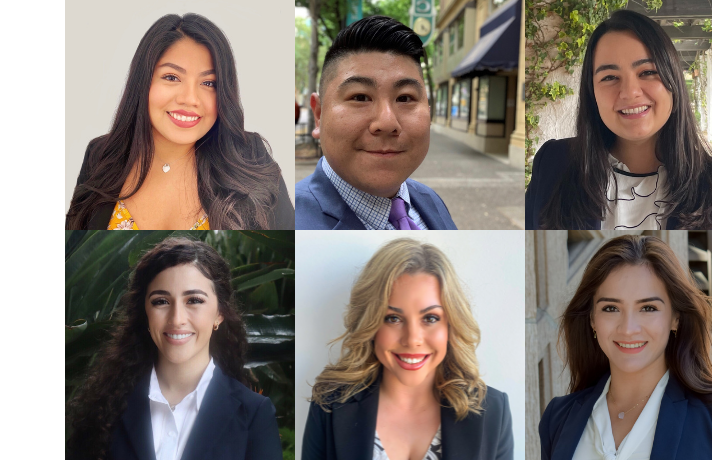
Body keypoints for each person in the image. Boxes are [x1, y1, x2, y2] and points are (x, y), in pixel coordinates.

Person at [525, 9, 712, 230]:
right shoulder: (552, 165)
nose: (630, 92)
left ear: (673, 80)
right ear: (591, 92)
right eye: (610, 77)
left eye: (647, 72)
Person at [66, 13, 294, 230]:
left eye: (209, 83)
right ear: (143, 82)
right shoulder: (100, 155)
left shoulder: (249, 157)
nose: (190, 99)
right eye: (171, 77)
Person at [66, 237, 283, 460]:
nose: (177, 319)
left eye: (194, 300)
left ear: (219, 313)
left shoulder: (253, 414)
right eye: (161, 301)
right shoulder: (104, 409)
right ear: (145, 315)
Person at [539, 235, 712, 460]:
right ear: (592, 318)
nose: (628, 328)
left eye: (648, 308)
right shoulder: (559, 417)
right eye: (611, 308)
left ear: (675, 318)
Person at [302, 239, 512, 459]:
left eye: (430, 318)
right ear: (370, 324)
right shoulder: (329, 405)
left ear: (451, 324)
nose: (412, 340)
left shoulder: (493, 411)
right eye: (393, 318)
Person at [295, 16, 457, 230]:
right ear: (319, 114)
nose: (387, 122)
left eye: (405, 98)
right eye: (360, 97)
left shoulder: (431, 200)